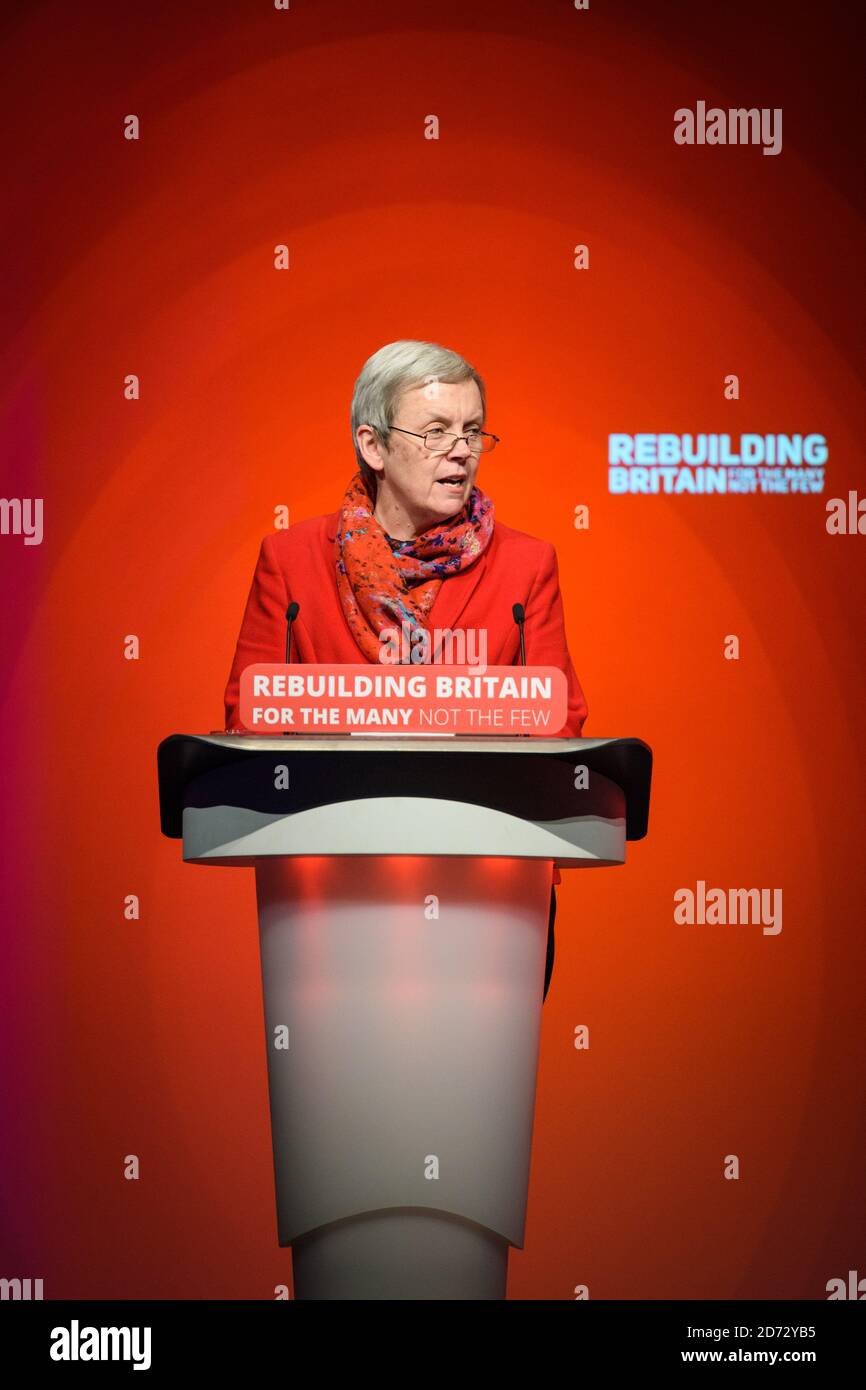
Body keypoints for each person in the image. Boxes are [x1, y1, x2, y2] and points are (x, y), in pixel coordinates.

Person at [223, 339, 589, 1000]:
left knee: (473, 1100)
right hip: (329, 887)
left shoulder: (527, 566)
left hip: (494, 892)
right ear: (373, 445)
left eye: (474, 431)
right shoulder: (291, 560)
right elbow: (249, 724)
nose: (462, 449)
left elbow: (560, 728)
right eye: (437, 431)